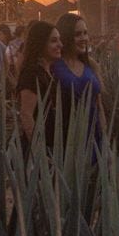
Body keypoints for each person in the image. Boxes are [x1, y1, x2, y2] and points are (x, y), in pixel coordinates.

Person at [51, 13, 102, 155]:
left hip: (94, 138)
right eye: (78, 34)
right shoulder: (53, 66)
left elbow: (99, 106)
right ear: (66, 36)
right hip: (65, 141)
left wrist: (106, 141)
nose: (84, 38)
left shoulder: (90, 65)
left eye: (85, 33)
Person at [16, 21, 62, 152]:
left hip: (53, 144)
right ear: (40, 44)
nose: (60, 45)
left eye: (59, 40)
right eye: (53, 41)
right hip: (40, 149)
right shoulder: (32, 73)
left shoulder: (49, 71)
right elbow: (26, 114)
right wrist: (39, 151)